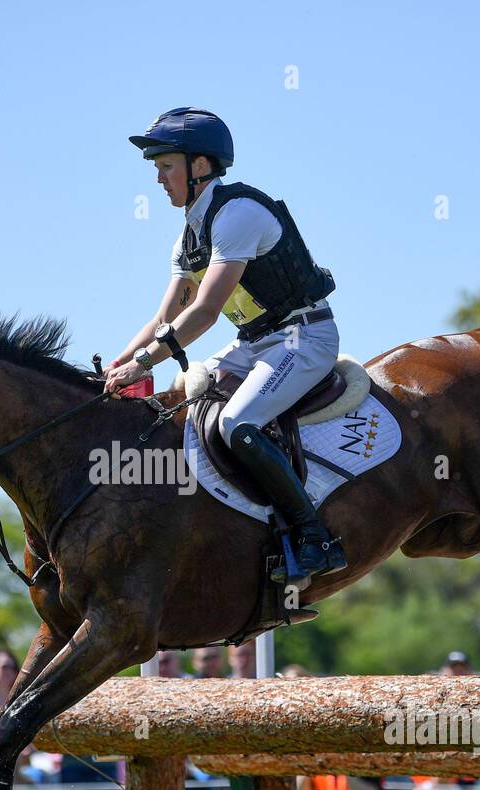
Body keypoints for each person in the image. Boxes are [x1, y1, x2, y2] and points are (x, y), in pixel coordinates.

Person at [105, 107, 344, 589]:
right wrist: (119, 363)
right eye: (155, 167)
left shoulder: (239, 214)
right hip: (256, 343)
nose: (158, 178)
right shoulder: (187, 238)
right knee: (181, 407)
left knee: (237, 422)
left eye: (165, 165)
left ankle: (313, 534)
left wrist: (146, 362)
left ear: (200, 166)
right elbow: (163, 319)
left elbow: (206, 312)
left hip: (305, 336)